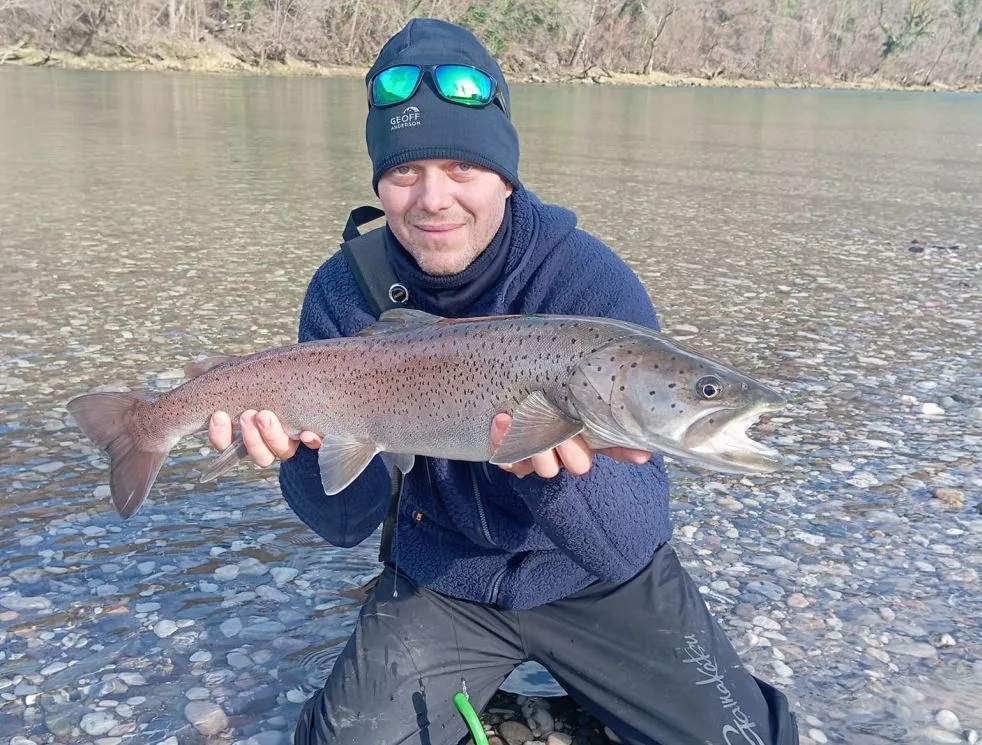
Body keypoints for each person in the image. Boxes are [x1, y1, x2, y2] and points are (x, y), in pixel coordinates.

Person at [208, 18, 799, 745]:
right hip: (444, 578)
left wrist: (548, 476)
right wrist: (294, 449)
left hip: (592, 582)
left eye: (462, 168)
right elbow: (344, 522)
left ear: (505, 173)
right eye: (404, 173)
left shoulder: (588, 283)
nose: (433, 199)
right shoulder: (345, 291)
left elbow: (627, 543)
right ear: (380, 183)